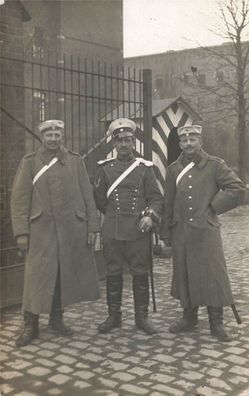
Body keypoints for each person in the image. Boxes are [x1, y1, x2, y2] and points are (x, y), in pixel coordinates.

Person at [11, 119, 100, 347]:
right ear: (42, 137)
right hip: (40, 230)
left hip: (71, 229)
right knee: (35, 276)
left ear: (63, 136)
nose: (53, 139)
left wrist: (92, 226)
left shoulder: (75, 161)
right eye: (49, 135)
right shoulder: (30, 162)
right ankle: (31, 324)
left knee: (62, 274)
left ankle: (56, 319)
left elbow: (87, 195)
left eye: (57, 134)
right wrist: (21, 232)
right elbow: (19, 199)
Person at [159, 124, 245, 342]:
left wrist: (213, 208)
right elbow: (167, 201)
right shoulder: (173, 170)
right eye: (184, 140)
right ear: (180, 144)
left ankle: (216, 322)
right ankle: (189, 317)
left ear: (200, 141)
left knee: (212, 275)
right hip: (181, 232)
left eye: (193, 139)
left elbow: (237, 188)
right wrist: (165, 230)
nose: (188, 144)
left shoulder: (215, 165)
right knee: (184, 273)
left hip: (206, 230)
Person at [94, 118, 163, 335]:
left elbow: (156, 198)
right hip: (113, 231)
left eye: (128, 140)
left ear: (134, 142)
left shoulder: (145, 168)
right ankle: (114, 316)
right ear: (113, 144)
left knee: (140, 273)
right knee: (113, 273)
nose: (124, 144)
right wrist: (115, 216)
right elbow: (100, 200)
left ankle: (141, 318)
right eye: (119, 140)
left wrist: (150, 216)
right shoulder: (104, 169)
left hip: (137, 230)